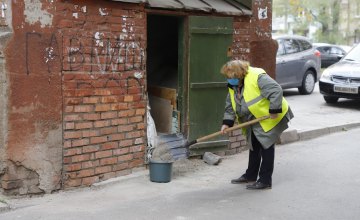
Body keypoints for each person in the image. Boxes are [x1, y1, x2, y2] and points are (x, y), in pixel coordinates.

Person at [220, 59, 294, 190]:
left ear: (239, 74)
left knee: (266, 145)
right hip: (255, 117)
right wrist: (227, 123)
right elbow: (230, 104)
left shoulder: (257, 77)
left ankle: (265, 180)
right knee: (254, 145)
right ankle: (251, 175)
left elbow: (276, 90)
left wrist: (274, 110)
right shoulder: (234, 85)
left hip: (271, 114)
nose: (229, 80)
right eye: (228, 78)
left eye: (232, 78)